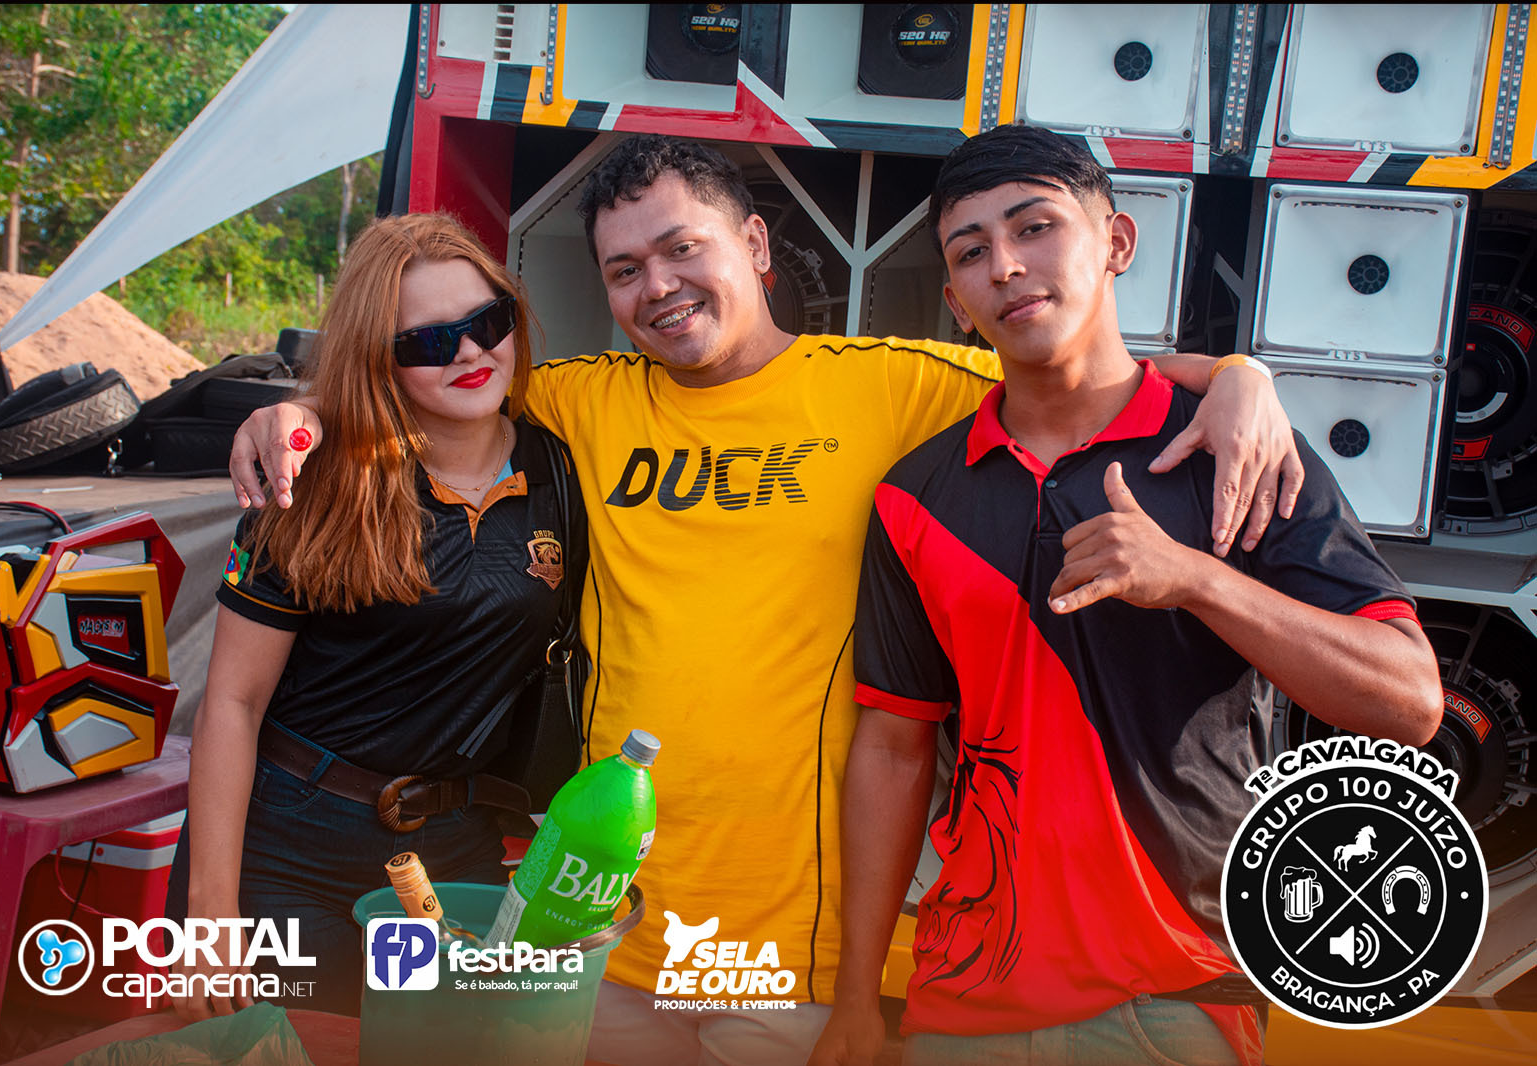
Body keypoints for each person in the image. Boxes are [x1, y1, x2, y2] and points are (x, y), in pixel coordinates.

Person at [228, 135, 1305, 1064]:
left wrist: (1239, 376)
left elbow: (1079, 367)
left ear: (752, 243)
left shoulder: (893, 384)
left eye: (681, 248)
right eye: (623, 270)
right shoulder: (577, 400)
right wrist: (296, 410)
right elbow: (421, 382)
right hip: (599, 927)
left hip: (790, 955)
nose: (657, 287)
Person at [811, 125, 1443, 1066]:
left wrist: (1195, 580)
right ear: (955, 303)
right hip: (963, 991)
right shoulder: (914, 498)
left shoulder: (1234, 452)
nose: (1005, 266)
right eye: (970, 252)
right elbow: (893, 750)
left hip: (1177, 996)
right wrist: (857, 997)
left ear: (1115, 242)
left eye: (1035, 228)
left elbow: (1410, 701)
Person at [166, 212, 585, 1020]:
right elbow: (232, 704)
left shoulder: (560, 464)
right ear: (377, 358)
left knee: (429, 1043)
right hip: (289, 847)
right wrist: (210, 915)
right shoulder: (315, 480)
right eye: (427, 342)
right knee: (281, 1049)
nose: (469, 353)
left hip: (453, 850)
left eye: (486, 322)